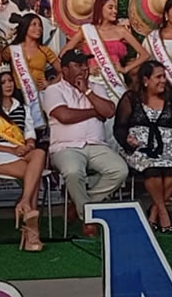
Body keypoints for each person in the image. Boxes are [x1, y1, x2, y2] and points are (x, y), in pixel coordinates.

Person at [43, 50, 129, 231]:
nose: (83, 69)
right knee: (73, 171)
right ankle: (88, 218)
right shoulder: (53, 90)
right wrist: (93, 112)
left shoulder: (96, 88)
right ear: (65, 70)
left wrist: (87, 91)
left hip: (96, 145)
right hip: (65, 148)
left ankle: (80, 203)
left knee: (119, 171)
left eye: (85, 65)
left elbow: (109, 111)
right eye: (77, 65)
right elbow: (64, 115)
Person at [113, 61, 172, 232]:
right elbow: (119, 127)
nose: (163, 80)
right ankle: (164, 213)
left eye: (164, 76)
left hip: (168, 151)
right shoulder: (130, 98)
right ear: (145, 80)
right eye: (159, 77)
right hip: (140, 150)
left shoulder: (171, 98)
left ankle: (154, 212)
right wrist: (127, 140)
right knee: (153, 171)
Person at [0, 65, 46, 251]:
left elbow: (30, 133)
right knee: (34, 175)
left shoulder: (22, 107)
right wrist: (13, 151)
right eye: (3, 82)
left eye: (10, 81)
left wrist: (29, 145)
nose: (8, 85)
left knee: (39, 153)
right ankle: (32, 233)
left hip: (23, 151)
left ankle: (24, 202)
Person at [62, 0, 149, 102]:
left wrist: (125, 69)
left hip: (115, 80)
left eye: (115, 8)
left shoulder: (121, 31)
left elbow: (145, 55)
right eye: (110, 7)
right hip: (92, 80)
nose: (115, 11)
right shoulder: (87, 30)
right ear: (100, 8)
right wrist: (85, 68)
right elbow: (64, 54)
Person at [10, 13, 61, 91]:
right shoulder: (13, 49)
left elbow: (63, 71)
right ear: (25, 26)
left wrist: (50, 83)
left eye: (40, 25)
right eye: (34, 24)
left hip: (39, 94)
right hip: (17, 94)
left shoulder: (45, 50)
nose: (38, 28)